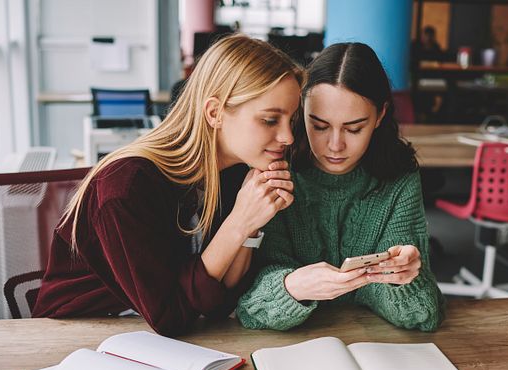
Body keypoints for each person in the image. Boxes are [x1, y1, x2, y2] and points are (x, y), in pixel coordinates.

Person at [32, 34, 303, 336]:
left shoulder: (234, 172)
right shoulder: (127, 186)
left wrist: (251, 225)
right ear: (214, 113)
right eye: (269, 120)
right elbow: (170, 316)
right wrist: (239, 223)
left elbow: (219, 298)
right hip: (77, 334)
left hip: (156, 333)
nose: (287, 138)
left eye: (290, 121)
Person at [236, 43, 445, 332]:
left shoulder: (399, 178)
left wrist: (405, 279)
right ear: (301, 110)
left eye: (354, 128)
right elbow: (251, 309)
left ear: (380, 115)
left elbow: (423, 313)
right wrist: (293, 286)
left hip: (376, 348)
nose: (335, 145)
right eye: (319, 126)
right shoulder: (277, 170)